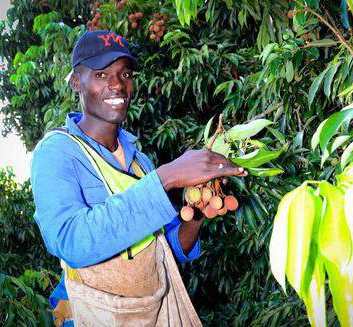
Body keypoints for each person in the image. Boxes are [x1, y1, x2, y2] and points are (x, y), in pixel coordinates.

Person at [30, 30, 247, 326]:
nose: (117, 85)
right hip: (95, 313)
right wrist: (167, 177)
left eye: (125, 73)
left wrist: (194, 216)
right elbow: (71, 241)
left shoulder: (139, 160)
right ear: (76, 82)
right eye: (102, 74)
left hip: (150, 311)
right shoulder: (56, 152)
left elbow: (164, 251)